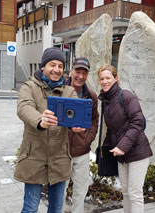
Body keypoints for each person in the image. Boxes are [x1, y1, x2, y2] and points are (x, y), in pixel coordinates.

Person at [14, 47, 79, 213]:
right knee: (30, 208)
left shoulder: (69, 91)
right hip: (34, 155)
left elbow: (75, 115)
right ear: (43, 66)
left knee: (56, 208)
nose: (56, 70)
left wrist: (76, 126)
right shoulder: (30, 86)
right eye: (52, 65)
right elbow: (24, 107)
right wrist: (39, 120)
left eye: (60, 66)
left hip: (59, 158)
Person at [97, 65, 153, 213]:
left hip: (137, 152)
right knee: (126, 192)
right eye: (102, 78)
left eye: (108, 78)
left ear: (116, 79)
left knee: (135, 193)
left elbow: (138, 122)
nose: (105, 81)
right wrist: (104, 150)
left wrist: (122, 146)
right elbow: (112, 129)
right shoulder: (106, 101)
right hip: (121, 154)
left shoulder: (126, 96)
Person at [65, 57, 99, 213]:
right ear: (71, 71)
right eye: (77, 71)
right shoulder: (59, 90)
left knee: (81, 189)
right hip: (62, 151)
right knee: (59, 188)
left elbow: (94, 119)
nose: (80, 76)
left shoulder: (91, 95)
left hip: (82, 150)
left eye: (84, 73)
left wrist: (88, 138)